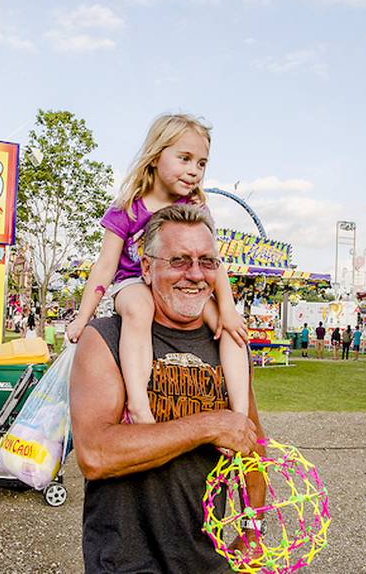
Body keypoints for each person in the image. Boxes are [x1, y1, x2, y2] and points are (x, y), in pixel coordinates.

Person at [70, 203, 266, 572]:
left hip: (208, 561)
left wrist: (253, 528)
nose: (195, 274)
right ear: (147, 267)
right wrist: (210, 425)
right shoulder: (106, 339)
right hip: (126, 563)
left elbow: (250, 443)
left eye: (207, 262)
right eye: (179, 260)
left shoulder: (228, 345)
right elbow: (96, 455)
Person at [63, 113, 250, 425]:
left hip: (179, 284)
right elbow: (105, 266)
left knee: (231, 330)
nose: (194, 171)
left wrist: (227, 308)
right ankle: (138, 405)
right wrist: (83, 317)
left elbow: (211, 262)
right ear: (155, 156)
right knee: (139, 307)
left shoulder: (196, 208)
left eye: (201, 163)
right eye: (185, 158)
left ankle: (241, 413)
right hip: (133, 281)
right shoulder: (128, 208)